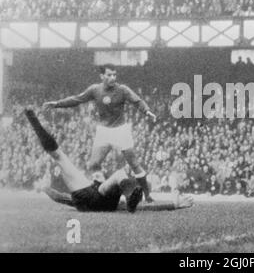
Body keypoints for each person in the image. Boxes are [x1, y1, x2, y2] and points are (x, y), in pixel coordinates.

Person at [25, 109, 193, 212]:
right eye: (97, 175)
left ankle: (129, 195)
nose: (97, 175)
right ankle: (129, 195)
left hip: (91, 201)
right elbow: (60, 197)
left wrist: (46, 189)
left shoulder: (88, 191)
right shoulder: (99, 193)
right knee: (120, 174)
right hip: (99, 202)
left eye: (98, 175)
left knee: (59, 156)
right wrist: (173, 205)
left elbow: (60, 197)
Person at [43, 64, 155, 203]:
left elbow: (137, 100)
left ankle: (147, 195)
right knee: (94, 164)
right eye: (109, 75)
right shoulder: (95, 90)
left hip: (121, 130)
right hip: (104, 131)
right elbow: (77, 99)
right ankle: (101, 193)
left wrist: (147, 111)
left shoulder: (122, 90)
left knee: (134, 164)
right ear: (102, 76)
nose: (113, 77)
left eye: (114, 74)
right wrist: (57, 103)